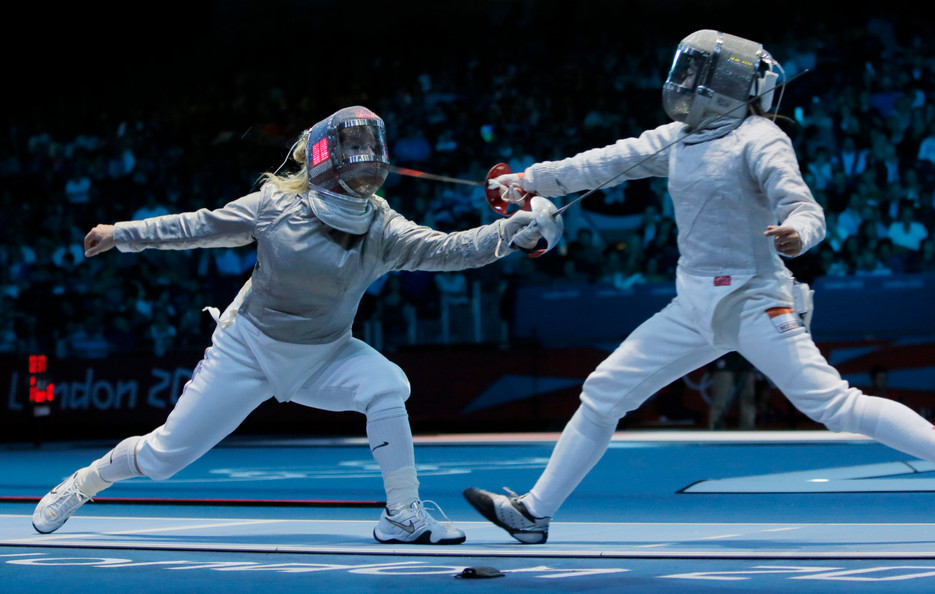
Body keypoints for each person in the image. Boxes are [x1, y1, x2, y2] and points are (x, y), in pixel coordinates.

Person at [464, 31, 935, 544]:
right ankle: (534, 514)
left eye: (703, 75)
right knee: (603, 393)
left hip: (756, 297)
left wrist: (798, 232)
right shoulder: (677, 140)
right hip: (693, 306)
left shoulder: (760, 138)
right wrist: (527, 180)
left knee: (833, 405)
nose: (687, 85)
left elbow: (803, 205)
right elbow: (601, 163)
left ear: (735, 86)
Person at [32, 106, 561, 545]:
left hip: (325, 354)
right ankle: (84, 482)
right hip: (247, 351)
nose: (365, 161)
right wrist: (122, 233)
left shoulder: (382, 224)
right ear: (330, 157)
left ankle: (401, 514)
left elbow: (449, 250)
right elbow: (197, 226)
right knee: (162, 457)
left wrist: (512, 231)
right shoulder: (275, 206)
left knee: (387, 386)